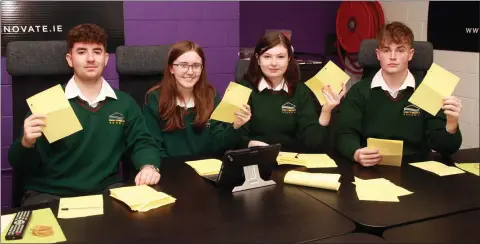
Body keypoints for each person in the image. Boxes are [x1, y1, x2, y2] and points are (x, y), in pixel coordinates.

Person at [8, 23, 164, 206]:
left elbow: (142, 142)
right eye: (82, 52)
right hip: (51, 194)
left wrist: (148, 165)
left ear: (106, 59)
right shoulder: (48, 102)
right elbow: (21, 164)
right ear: (69, 59)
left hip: (105, 192)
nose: (90, 59)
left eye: (97, 52)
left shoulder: (124, 103)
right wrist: (26, 143)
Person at [335, 21, 462, 167]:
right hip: (370, 167)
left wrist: (451, 124)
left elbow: (446, 149)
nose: (393, 56)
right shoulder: (359, 91)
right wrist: (356, 153)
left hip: (418, 171)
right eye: (386, 50)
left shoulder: (429, 91)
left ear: (410, 54)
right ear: (378, 54)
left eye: (400, 50)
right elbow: (345, 133)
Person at [236, 32, 346, 152]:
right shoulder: (241, 89)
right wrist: (248, 143)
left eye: (280, 57)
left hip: (291, 162)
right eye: (267, 57)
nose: (274, 63)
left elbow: (312, 143)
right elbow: (226, 140)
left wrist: (326, 112)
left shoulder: (300, 92)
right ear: (258, 59)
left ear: (289, 59)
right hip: (253, 159)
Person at [143, 40, 251, 157]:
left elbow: (218, 145)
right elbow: (153, 146)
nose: (190, 72)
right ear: (171, 68)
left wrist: (236, 126)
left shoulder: (211, 95)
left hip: (206, 168)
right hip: (171, 169)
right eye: (183, 65)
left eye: (196, 66)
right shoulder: (155, 98)